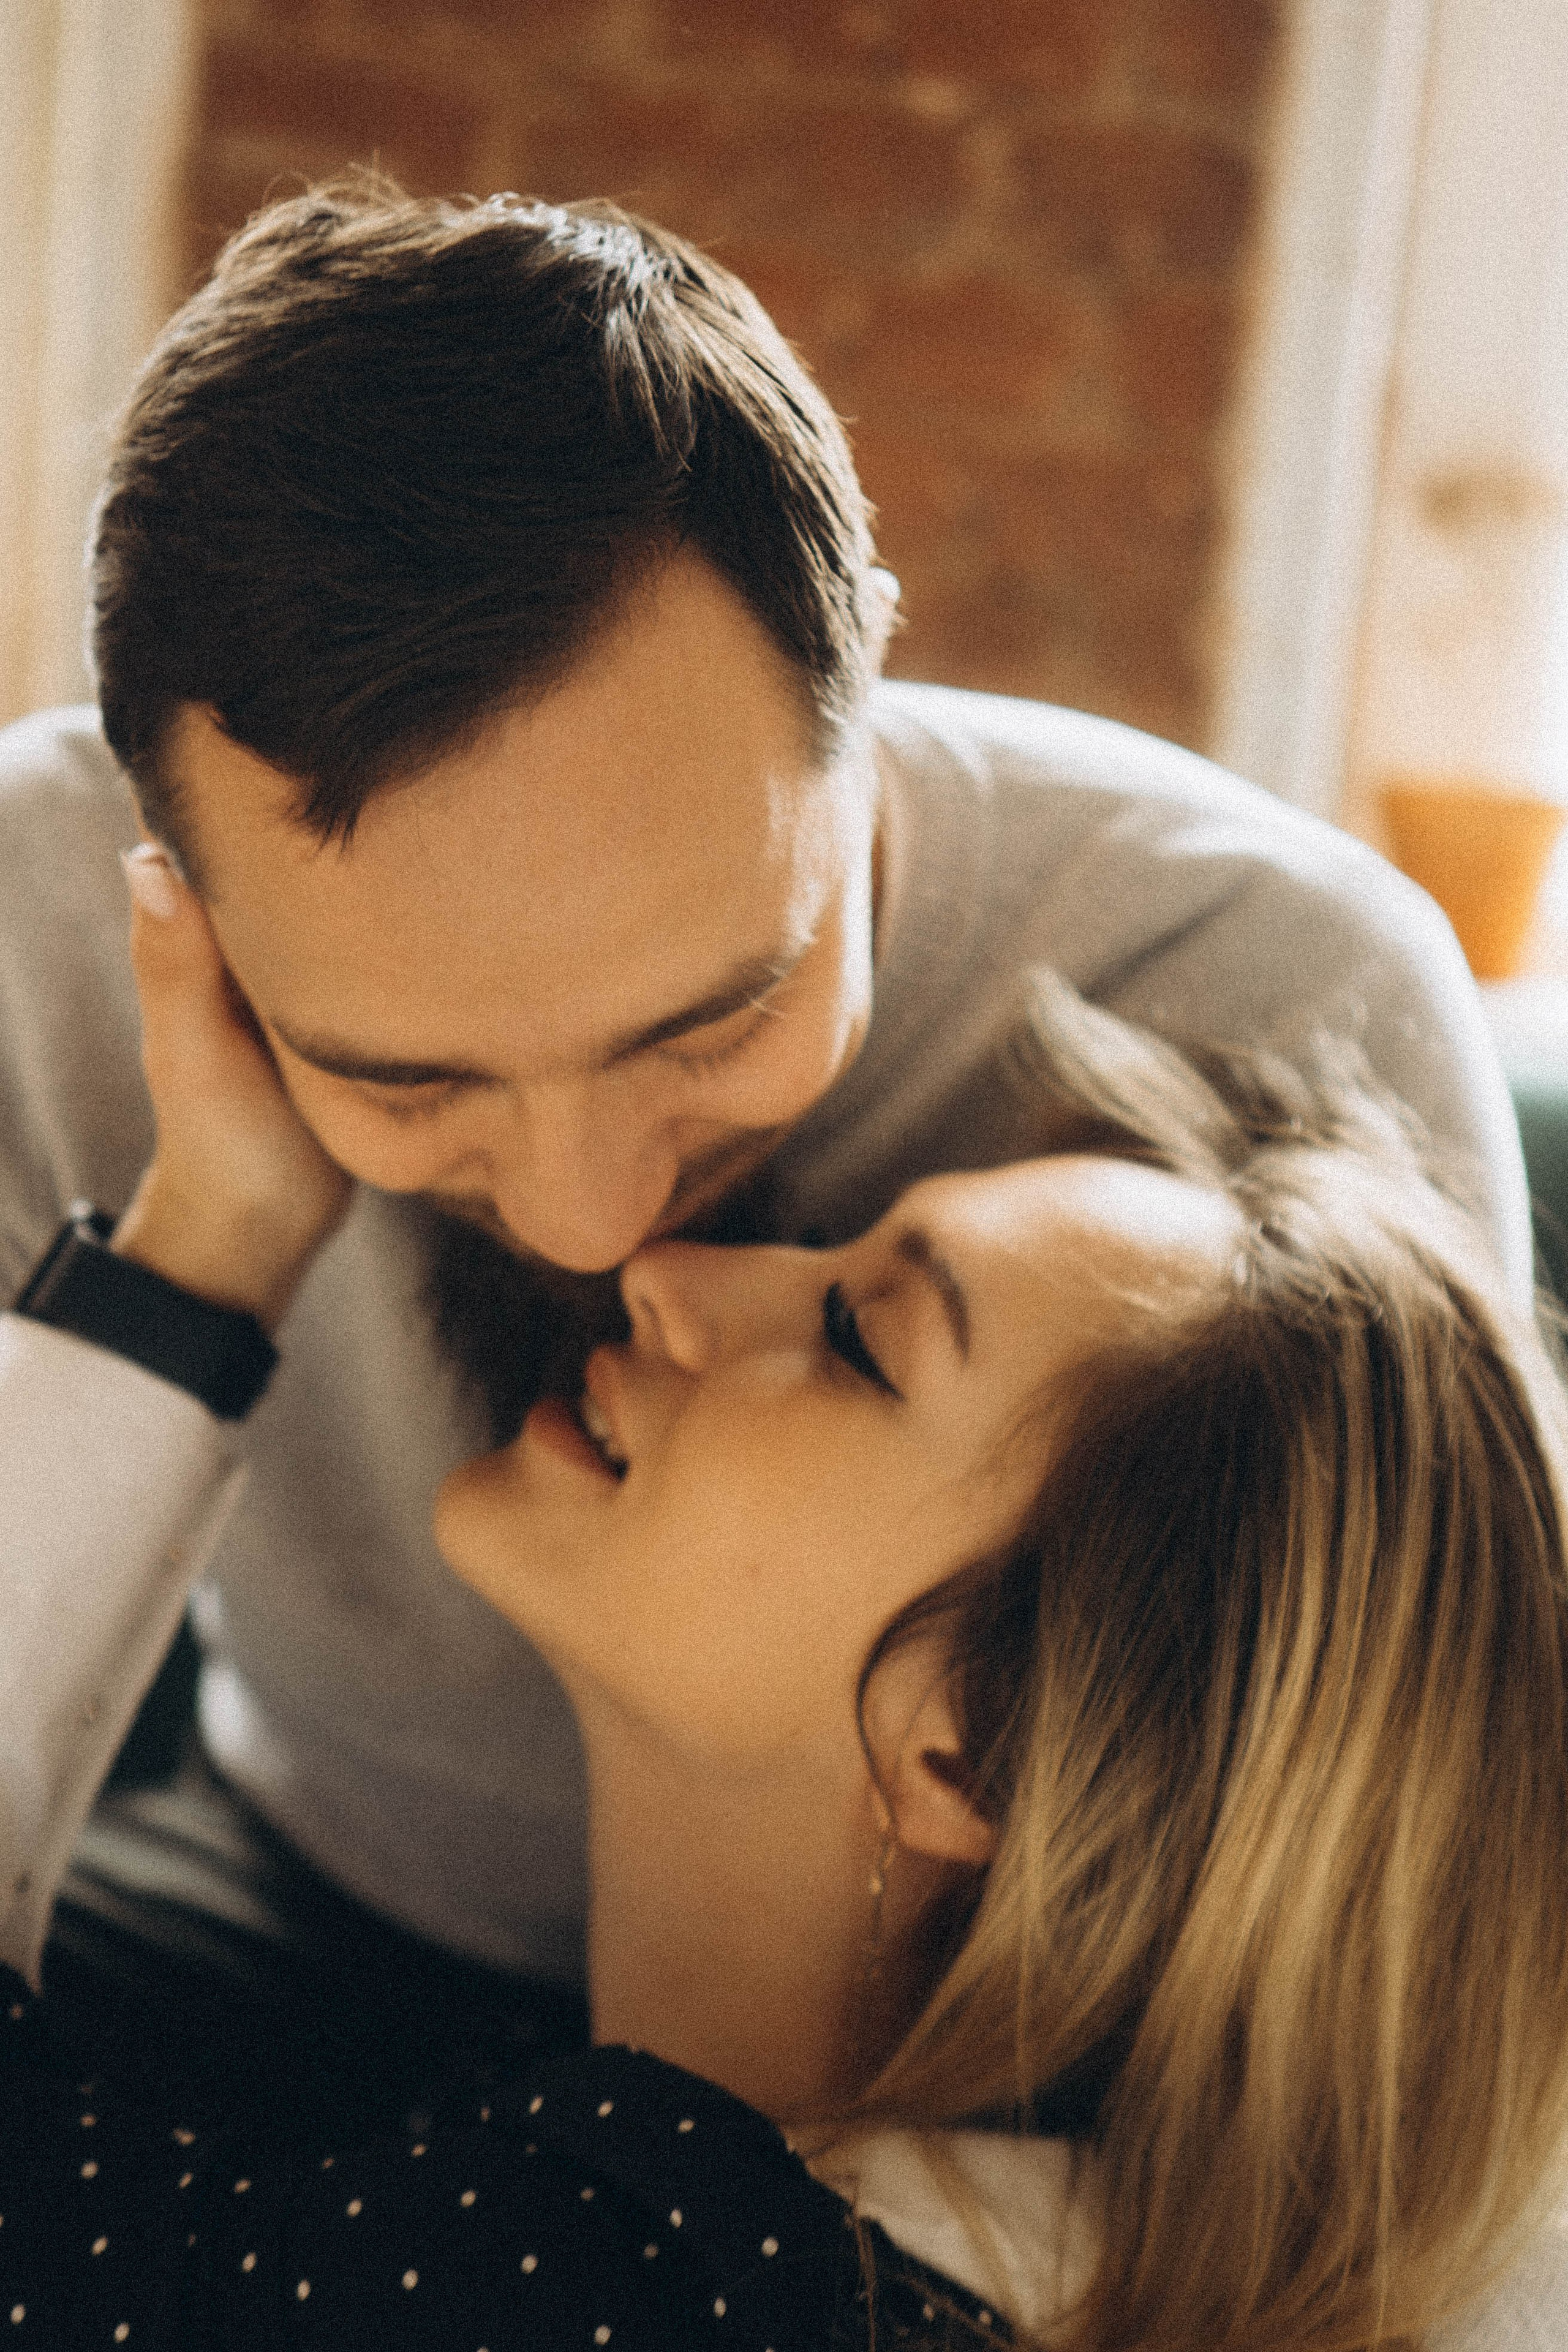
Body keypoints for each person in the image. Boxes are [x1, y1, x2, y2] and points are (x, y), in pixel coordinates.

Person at [0, 178, 1534, 2112]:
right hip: (287, 1898)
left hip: (1024, 2074)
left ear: (867, 680)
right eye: (405, 1083)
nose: (602, 1218)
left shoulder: (1288, 980)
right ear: (169, 882)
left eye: (716, 1017)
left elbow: (1417, 1941)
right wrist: (209, 1230)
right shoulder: (28, 924)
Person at [3, 983, 1566, 2350]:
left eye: (856, 1339)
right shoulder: (803, 2248)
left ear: (974, 1755)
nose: (666, 1277)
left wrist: (208, 1246)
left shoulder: (621, 2288)